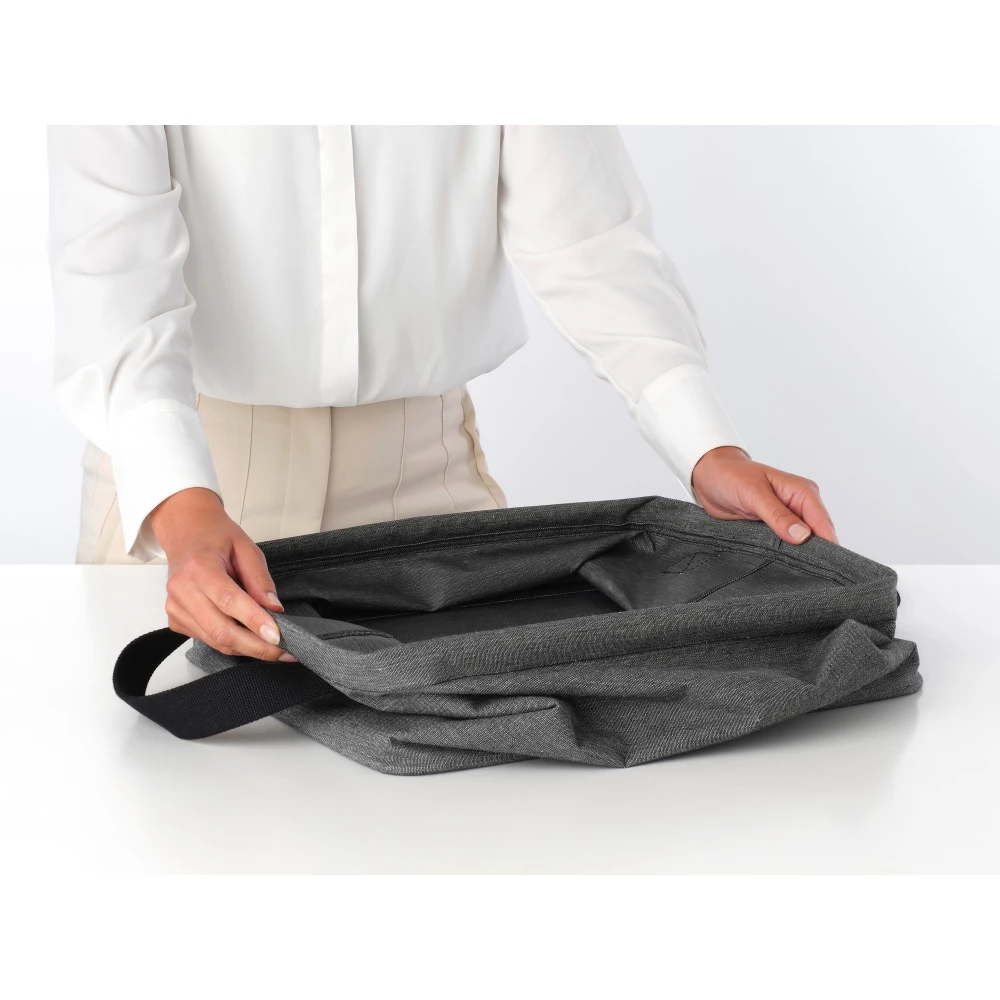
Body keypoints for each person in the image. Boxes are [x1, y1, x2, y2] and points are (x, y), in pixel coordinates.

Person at [46, 125, 837, 666]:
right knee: (169, 828)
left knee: (454, 837)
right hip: (183, 501)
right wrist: (183, 511)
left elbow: (589, 239)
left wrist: (706, 448)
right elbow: (114, 280)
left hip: (423, 489)